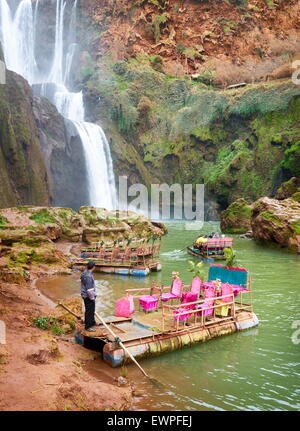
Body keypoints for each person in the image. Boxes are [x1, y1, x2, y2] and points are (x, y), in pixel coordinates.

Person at [80, 261, 97, 332]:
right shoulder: (88, 276)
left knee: (91, 309)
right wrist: (92, 297)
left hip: (85, 295)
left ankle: (92, 322)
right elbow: (89, 289)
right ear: (93, 267)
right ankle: (88, 326)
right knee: (89, 311)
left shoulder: (85, 272)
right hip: (88, 296)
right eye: (95, 266)